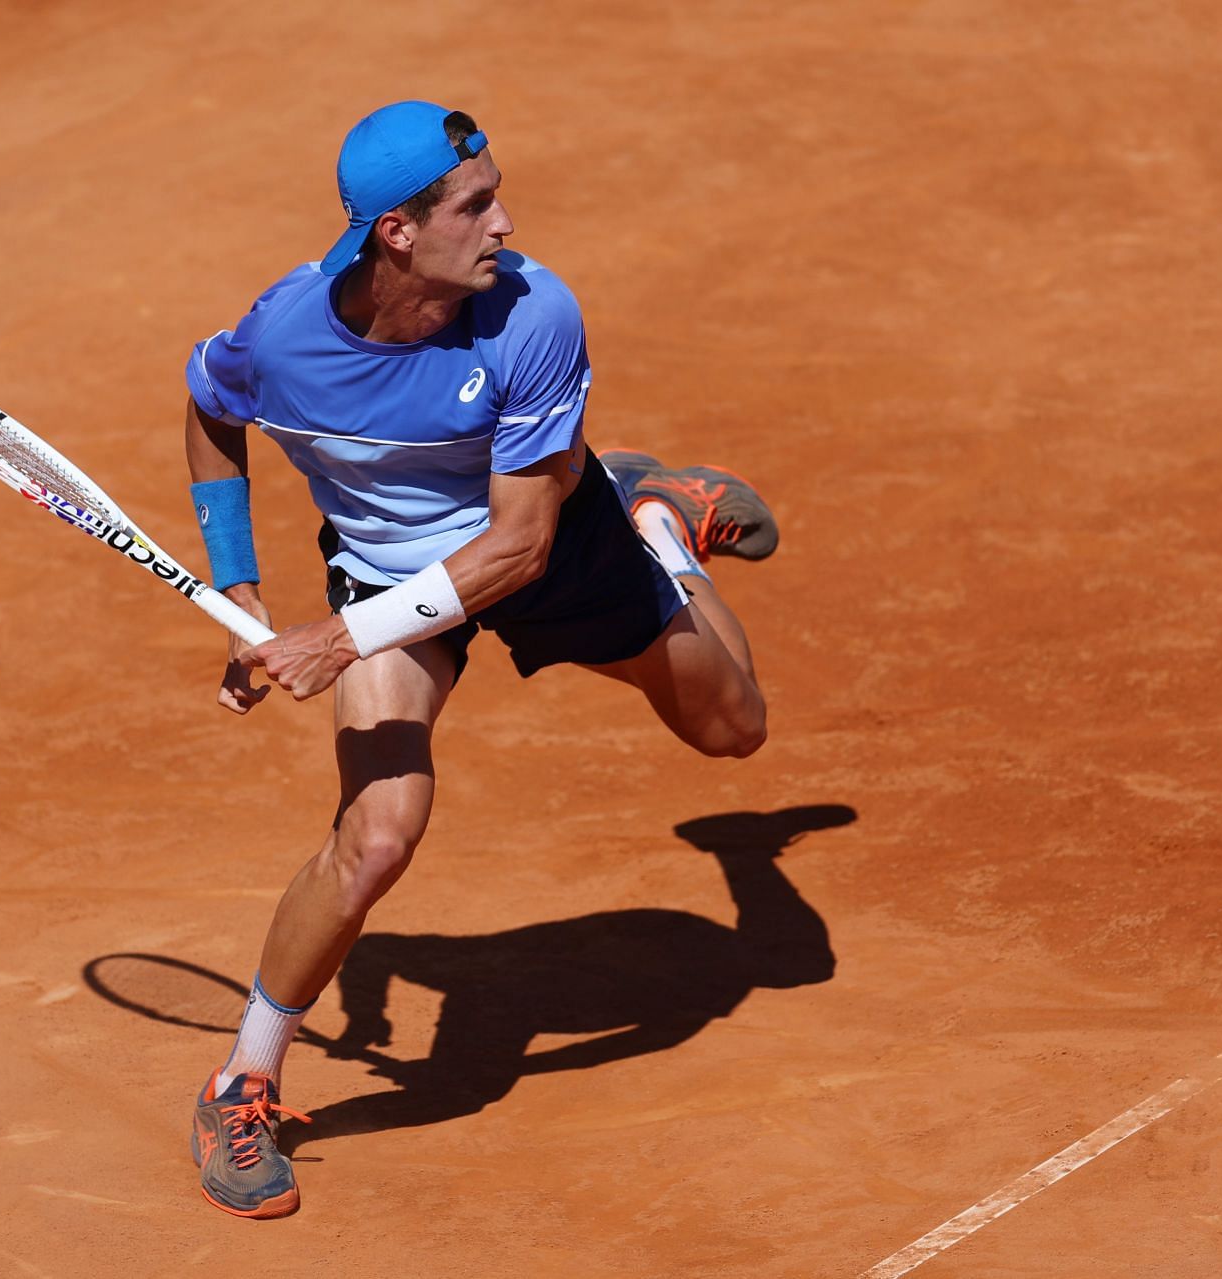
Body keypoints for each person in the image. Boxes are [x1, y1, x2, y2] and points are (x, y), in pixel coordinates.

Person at [181, 100, 779, 1219]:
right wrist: (243, 594)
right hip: (387, 573)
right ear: (399, 235)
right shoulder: (283, 334)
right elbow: (212, 412)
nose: (505, 222)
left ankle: (656, 517)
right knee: (376, 836)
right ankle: (243, 1080)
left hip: (547, 543)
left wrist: (333, 637)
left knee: (732, 730)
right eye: (475, 204)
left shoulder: (533, 315)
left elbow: (518, 549)